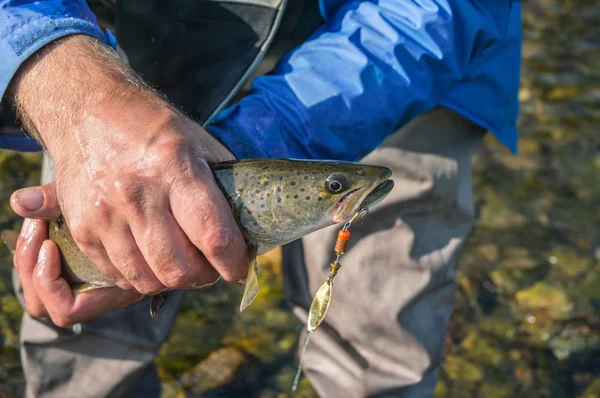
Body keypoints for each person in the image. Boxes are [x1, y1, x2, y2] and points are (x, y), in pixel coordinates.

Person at [0, 1, 521, 397]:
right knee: (83, 327)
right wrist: (64, 82)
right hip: (130, 41)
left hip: (399, 63)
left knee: (380, 338)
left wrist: (251, 147)